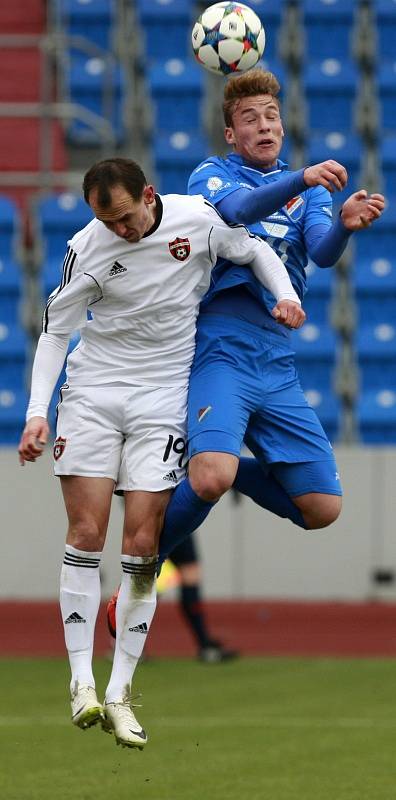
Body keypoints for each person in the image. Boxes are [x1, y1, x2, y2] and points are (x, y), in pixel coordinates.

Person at [18, 157, 305, 750]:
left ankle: (120, 693)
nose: (118, 230)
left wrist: (284, 296)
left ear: (149, 195)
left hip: (163, 398)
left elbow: (253, 251)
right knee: (85, 530)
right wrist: (36, 412)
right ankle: (80, 681)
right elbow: (55, 331)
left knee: (145, 544)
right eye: (106, 221)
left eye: (124, 217)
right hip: (94, 393)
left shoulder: (197, 220)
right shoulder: (86, 247)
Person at [157, 68, 385, 562]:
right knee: (210, 476)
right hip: (221, 344)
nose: (264, 126)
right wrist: (298, 177)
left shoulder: (314, 194)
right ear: (231, 133)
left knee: (323, 506)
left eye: (272, 116)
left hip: (277, 358)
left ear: (283, 127)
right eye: (250, 118)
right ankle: (143, 564)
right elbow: (238, 210)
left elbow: (321, 253)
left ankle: (224, 465)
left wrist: (345, 226)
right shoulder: (211, 173)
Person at [107, 533, 239, 663]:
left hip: (168, 521)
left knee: (176, 577)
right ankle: (125, 643)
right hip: (158, 523)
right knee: (154, 578)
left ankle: (125, 643)